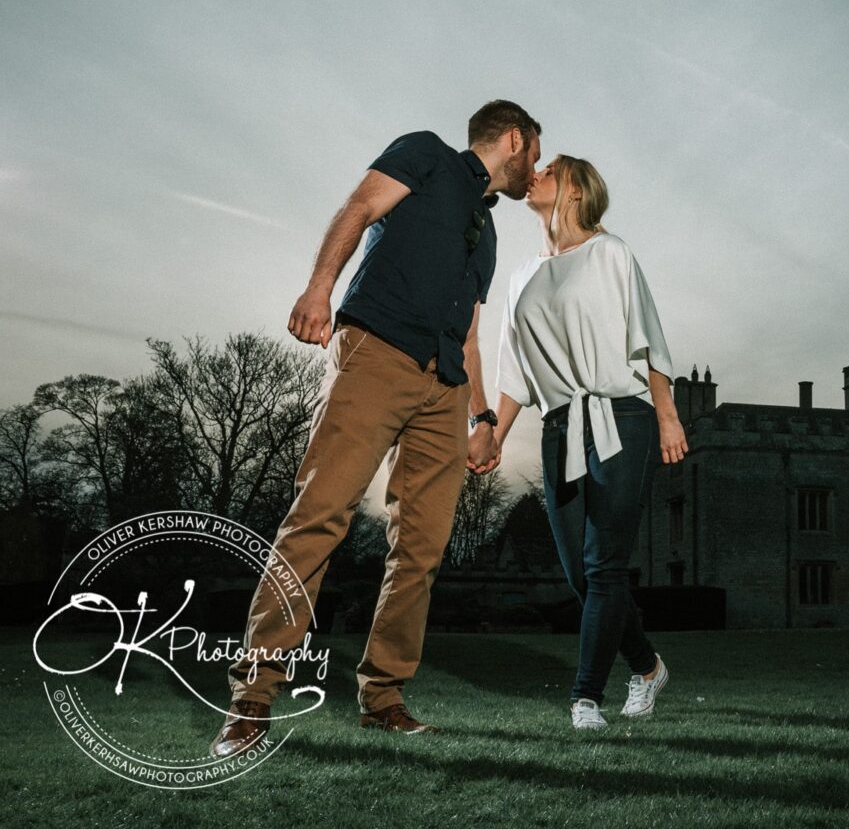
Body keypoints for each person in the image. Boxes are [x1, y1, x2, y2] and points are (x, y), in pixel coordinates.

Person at [210, 100, 541, 758]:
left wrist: (481, 420)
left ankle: (383, 698)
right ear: (513, 140)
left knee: (420, 550)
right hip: (376, 355)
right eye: (534, 150)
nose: (536, 166)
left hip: (444, 388)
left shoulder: (491, 232)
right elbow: (357, 210)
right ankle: (251, 699)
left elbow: (471, 335)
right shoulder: (425, 154)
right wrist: (317, 289)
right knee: (319, 518)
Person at [481, 154, 687, 729]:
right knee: (581, 574)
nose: (537, 173)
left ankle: (585, 697)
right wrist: (491, 432)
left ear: (573, 190)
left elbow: (649, 339)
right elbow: (514, 373)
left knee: (604, 566)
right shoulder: (521, 277)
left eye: (550, 169)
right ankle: (646, 666)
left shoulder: (612, 253)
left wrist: (667, 415)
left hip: (622, 418)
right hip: (558, 427)